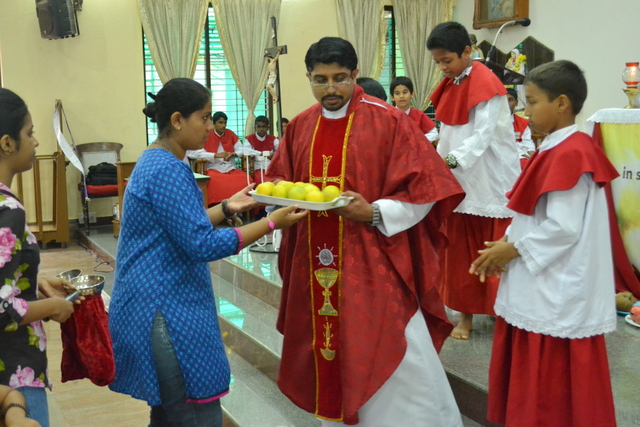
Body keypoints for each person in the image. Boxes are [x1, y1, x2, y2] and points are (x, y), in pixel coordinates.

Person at [267, 36, 465, 426]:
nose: (330, 89)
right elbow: (278, 181)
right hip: (313, 261)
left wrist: (374, 212)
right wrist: (277, 201)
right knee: (327, 349)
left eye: (340, 78)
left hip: (373, 260)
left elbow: (427, 188)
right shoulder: (301, 126)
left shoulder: (387, 120)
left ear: (355, 74)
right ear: (308, 78)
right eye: (320, 80)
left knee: (394, 349)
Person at [108, 78, 306, 427]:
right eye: (202, 118)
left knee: (168, 418)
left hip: (151, 304)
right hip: (166, 311)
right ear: (177, 120)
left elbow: (180, 226)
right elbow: (201, 244)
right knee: (197, 416)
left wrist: (228, 207)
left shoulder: (155, 160)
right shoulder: (168, 169)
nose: (209, 128)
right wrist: (271, 222)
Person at [470, 60, 618, 427]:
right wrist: (506, 242)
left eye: (533, 102)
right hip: (541, 276)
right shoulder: (555, 146)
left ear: (562, 103)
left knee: (551, 382)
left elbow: (564, 227)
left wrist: (513, 249)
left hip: (557, 285)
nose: (526, 111)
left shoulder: (572, 152)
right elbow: (531, 213)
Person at [427, 22, 520, 340]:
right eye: (438, 62)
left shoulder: (486, 83)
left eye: (447, 60)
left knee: (492, 252)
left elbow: (482, 136)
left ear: (467, 52)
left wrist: (449, 162)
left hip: (489, 181)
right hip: (458, 181)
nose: (442, 67)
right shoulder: (452, 82)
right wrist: (438, 159)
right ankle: (464, 316)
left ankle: (503, 312)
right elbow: (447, 132)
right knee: (460, 256)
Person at [0, 88, 79, 427]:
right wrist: (52, 307)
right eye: (29, 133)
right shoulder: (8, 210)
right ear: (7, 143)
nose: (35, 142)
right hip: (13, 371)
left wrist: (35, 284)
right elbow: (1, 308)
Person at [186, 111, 250, 225]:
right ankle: (223, 215)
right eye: (220, 123)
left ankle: (235, 212)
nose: (223, 125)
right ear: (213, 124)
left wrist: (233, 154)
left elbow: (242, 149)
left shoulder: (230, 134)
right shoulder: (206, 134)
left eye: (225, 123)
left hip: (230, 167)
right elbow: (193, 153)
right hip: (213, 168)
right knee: (213, 180)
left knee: (245, 179)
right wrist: (215, 155)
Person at [390, 76, 439, 144]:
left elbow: (434, 133)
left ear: (412, 94)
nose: (401, 96)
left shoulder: (419, 115)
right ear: (392, 97)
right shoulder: (388, 116)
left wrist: (417, 141)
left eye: (405, 92)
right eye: (397, 93)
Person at [243, 115, 279, 186]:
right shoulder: (249, 139)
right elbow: (245, 150)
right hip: (258, 167)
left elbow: (280, 150)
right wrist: (261, 153)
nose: (261, 129)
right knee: (261, 181)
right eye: (259, 127)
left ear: (268, 128)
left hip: (271, 167)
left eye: (264, 127)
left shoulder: (273, 139)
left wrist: (274, 155)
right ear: (255, 128)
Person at [506, 88, 535, 167]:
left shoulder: (522, 123)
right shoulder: (494, 122)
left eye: (510, 100)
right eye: (503, 100)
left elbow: (528, 143)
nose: (506, 103)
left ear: (516, 103)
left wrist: (534, 159)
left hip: (521, 155)